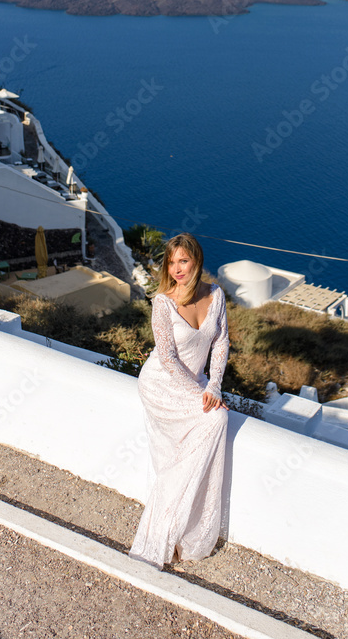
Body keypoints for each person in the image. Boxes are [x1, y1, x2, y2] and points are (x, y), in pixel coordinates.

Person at [129, 233, 230, 569]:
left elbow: (221, 343)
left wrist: (214, 386)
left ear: (196, 260)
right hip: (161, 384)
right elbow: (168, 359)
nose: (176, 269)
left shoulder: (216, 295)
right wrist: (201, 395)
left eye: (182, 261)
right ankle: (163, 534)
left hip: (197, 384)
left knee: (211, 426)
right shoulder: (163, 303)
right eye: (171, 263)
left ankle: (182, 531)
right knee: (212, 422)